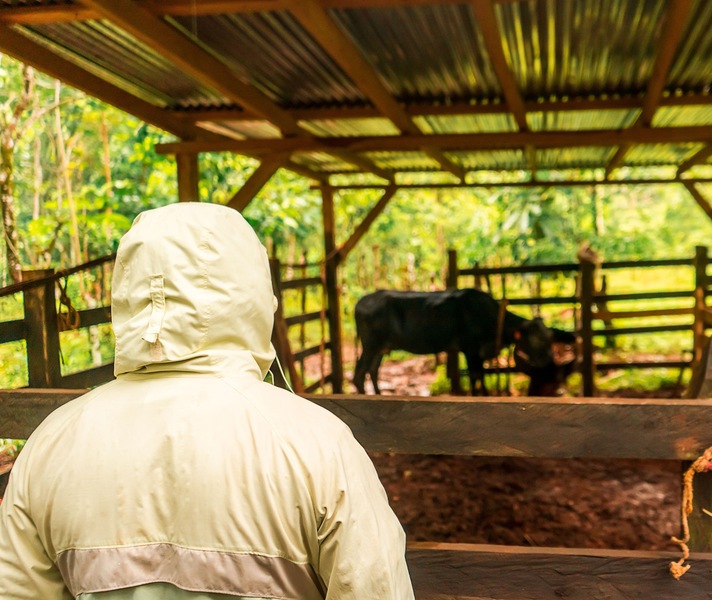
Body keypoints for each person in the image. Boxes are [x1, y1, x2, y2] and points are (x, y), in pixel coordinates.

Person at [0, 203, 415, 599]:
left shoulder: (51, 443)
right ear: (252, 295)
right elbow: (375, 587)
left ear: (127, 293)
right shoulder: (317, 443)